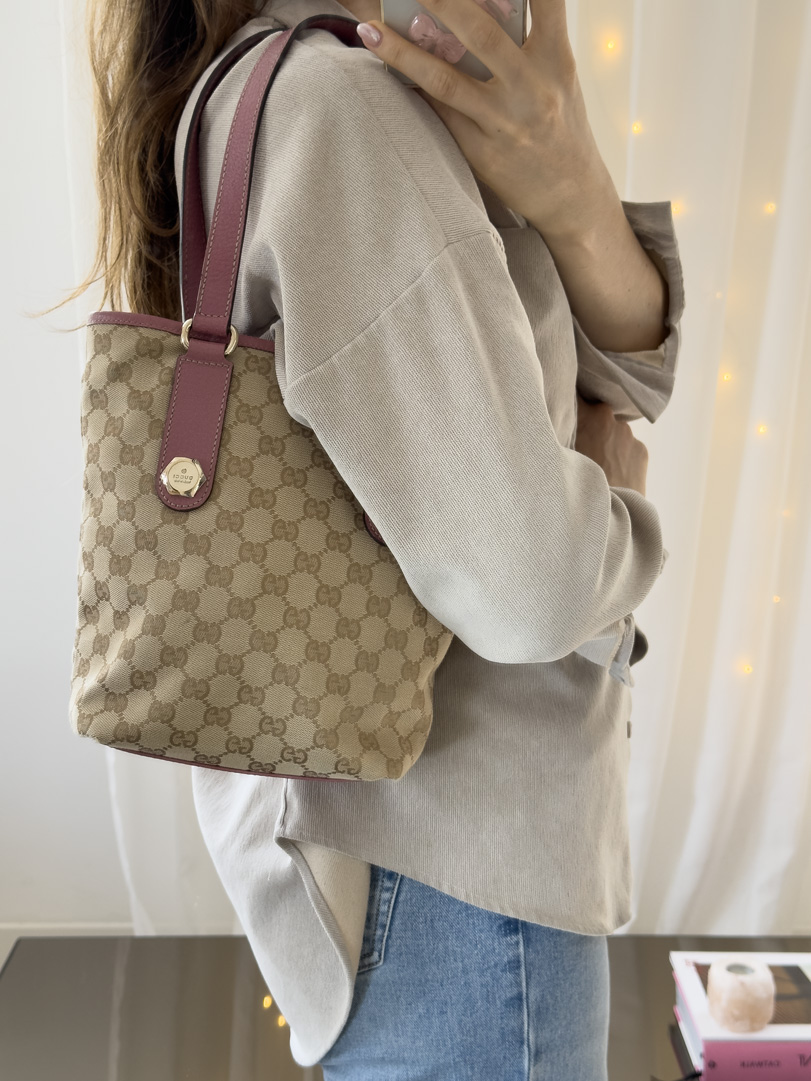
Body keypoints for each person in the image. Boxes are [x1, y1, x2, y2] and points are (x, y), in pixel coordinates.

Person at [75, 0, 685, 1076]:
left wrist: (577, 191)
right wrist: (621, 507)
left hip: (423, 876)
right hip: (463, 883)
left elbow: (630, 374)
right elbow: (534, 588)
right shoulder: (341, 111)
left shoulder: (372, 85)